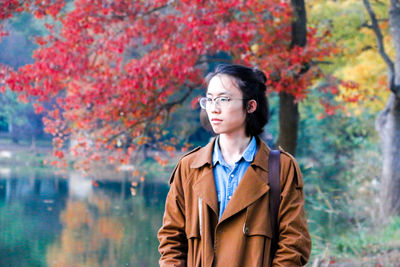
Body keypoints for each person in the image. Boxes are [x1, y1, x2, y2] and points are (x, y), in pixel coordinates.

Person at [158, 64, 311, 267]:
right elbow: (171, 242)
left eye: (224, 99)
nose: (214, 108)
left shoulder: (281, 168)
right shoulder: (189, 167)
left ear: (250, 106)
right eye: (210, 99)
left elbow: (294, 244)